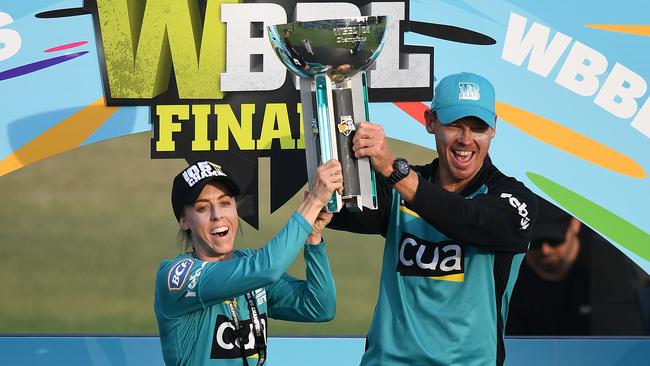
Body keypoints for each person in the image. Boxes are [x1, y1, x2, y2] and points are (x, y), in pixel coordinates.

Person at [328, 72, 539, 365]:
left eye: (477, 128)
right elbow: (333, 206)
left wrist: (394, 170)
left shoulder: (513, 201)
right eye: (455, 125)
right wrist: (335, 130)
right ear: (430, 122)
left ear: (493, 130)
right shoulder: (396, 191)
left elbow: (469, 219)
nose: (466, 139)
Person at [154, 159, 342, 365]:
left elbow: (319, 307)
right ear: (184, 221)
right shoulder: (177, 276)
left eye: (225, 203)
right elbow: (268, 268)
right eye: (202, 208)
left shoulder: (249, 263)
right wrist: (313, 202)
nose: (217, 215)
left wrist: (313, 238)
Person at [507, 196, 650, 336]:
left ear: (575, 224)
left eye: (555, 240)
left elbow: (622, 337)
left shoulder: (611, 263)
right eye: (535, 242)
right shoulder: (507, 270)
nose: (545, 250)